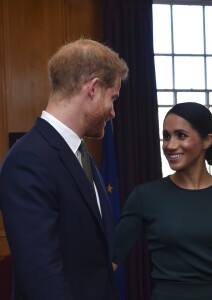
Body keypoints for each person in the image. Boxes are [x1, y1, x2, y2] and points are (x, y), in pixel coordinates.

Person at [0, 38, 128, 300]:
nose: (113, 112)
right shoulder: (28, 160)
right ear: (93, 88)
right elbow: (42, 279)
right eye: (112, 98)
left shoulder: (78, 153)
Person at [113, 102, 212, 300]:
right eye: (166, 136)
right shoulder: (144, 197)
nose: (170, 145)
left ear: (207, 141)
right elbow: (109, 263)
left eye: (181, 135)